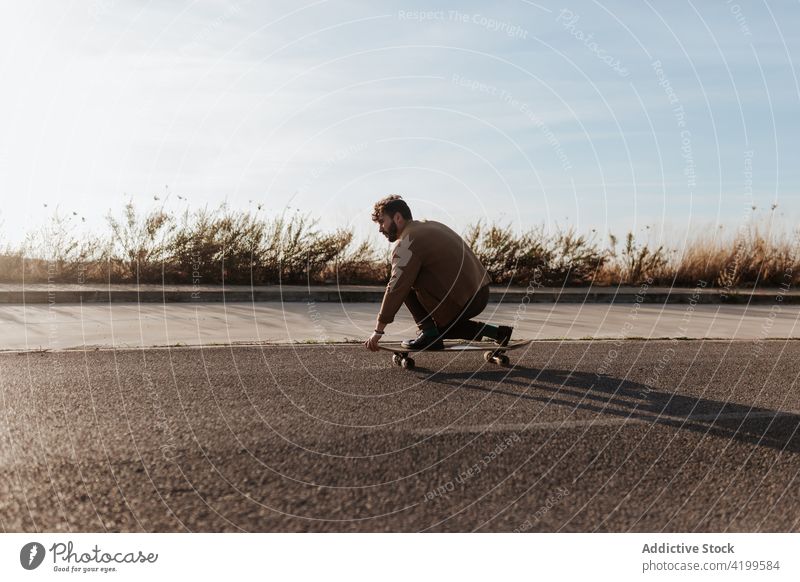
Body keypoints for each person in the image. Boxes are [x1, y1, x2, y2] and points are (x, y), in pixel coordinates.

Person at [364, 195, 513, 352]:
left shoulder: (407, 242)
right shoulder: (429, 225)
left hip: (465, 299)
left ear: (398, 217)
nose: (380, 228)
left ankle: (429, 334)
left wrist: (378, 330)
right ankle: (498, 333)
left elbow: (396, 287)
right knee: (443, 329)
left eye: (382, 221)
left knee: (404, 285)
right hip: (480, 292)